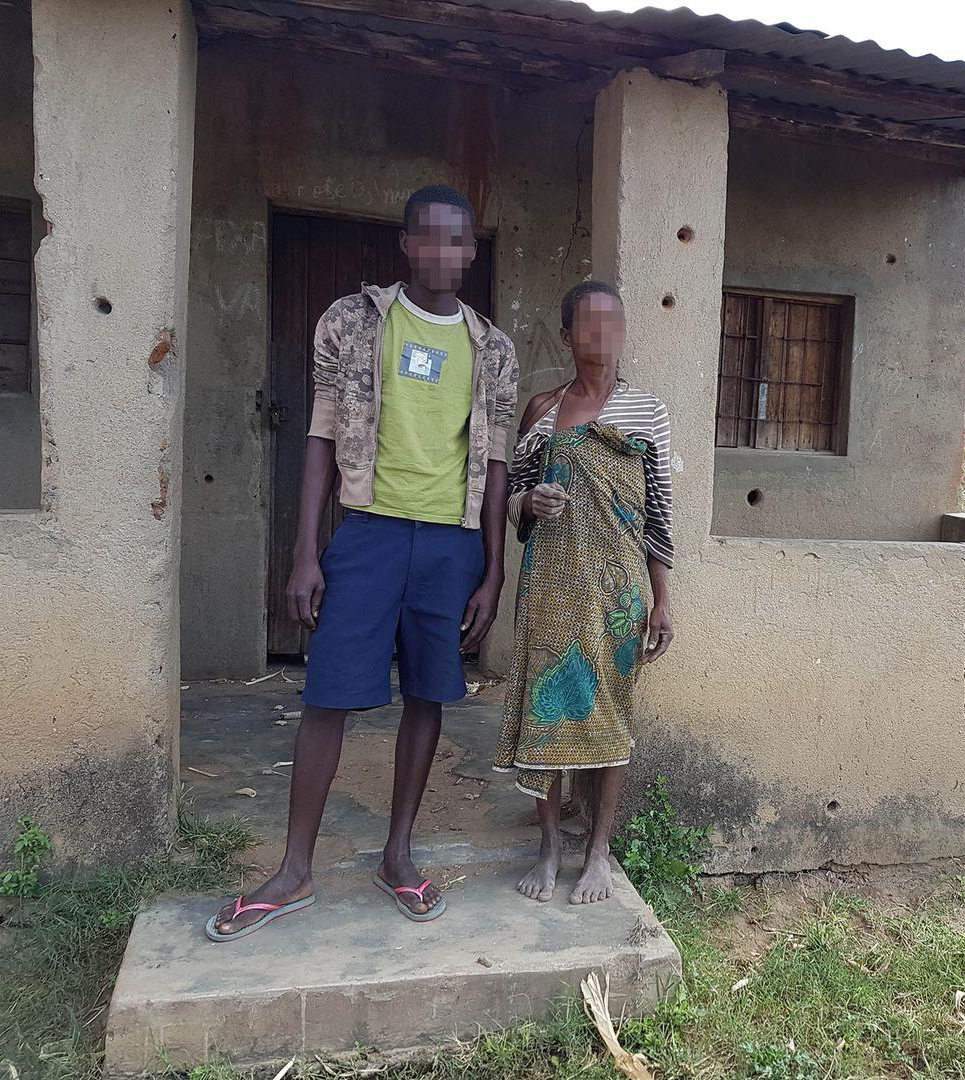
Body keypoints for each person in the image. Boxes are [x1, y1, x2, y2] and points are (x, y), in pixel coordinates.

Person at [207, 186, 518, 941]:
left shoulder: (494, 349)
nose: (447, 253)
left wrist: (493, 568)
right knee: (328, 695)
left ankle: (399, 856)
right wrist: (305, 550)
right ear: (407, 244)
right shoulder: (352, 323)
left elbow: (500, 462)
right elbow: (319, 435)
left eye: (461, 241)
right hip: (370, 533)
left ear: (473, 252)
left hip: (450, 544)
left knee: (429, 695)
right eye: (432, 239)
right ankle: (295, 869)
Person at [494, 280, 674, 906]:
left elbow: (659, 513)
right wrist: (528, 501)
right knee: (547, 710)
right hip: (550, 588)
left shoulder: (647, 412)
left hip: (618, 592)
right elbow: (510, 495)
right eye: (590, 324)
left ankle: (598, 851)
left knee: (610, 718)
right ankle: (549, 847)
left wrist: (663, 599)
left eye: (614, 322)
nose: (604, 334)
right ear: (568, 336)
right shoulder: (542, 409)